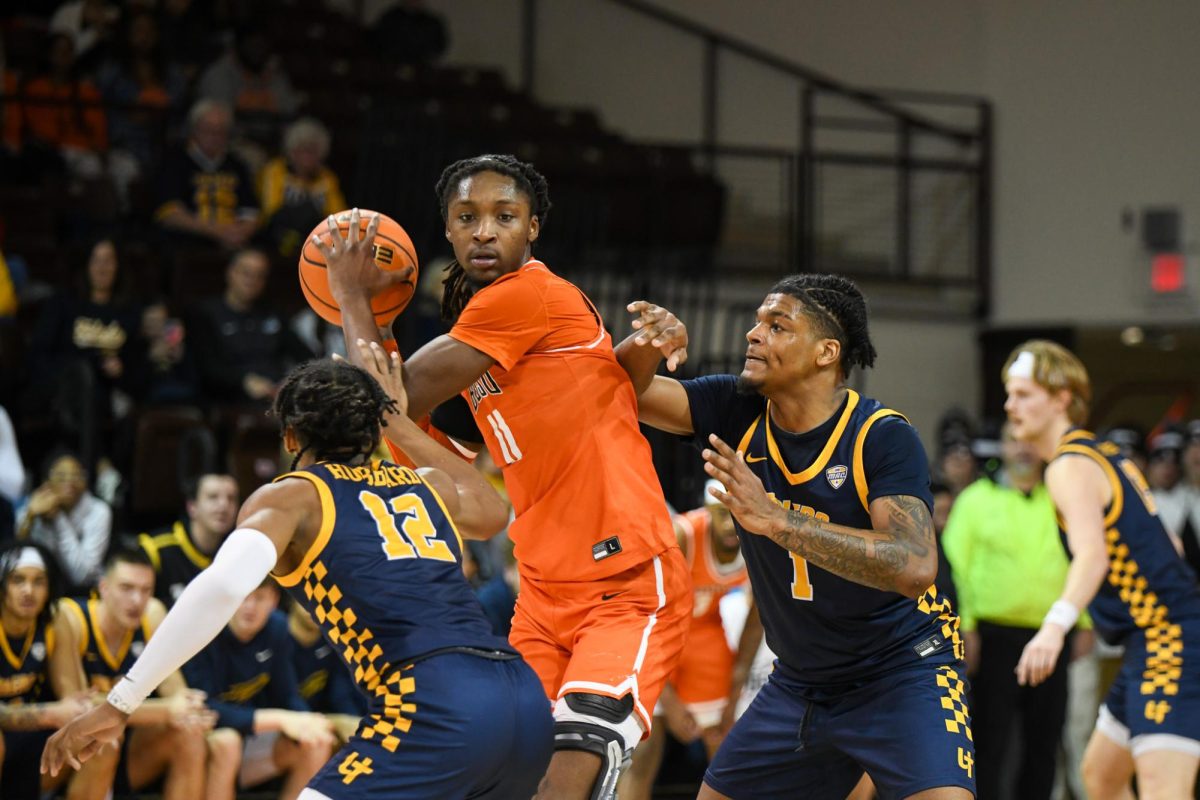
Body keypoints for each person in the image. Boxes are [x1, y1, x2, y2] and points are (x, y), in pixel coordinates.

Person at [319, 160, 691, 799]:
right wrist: (379, 329)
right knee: (502, 776)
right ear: (448, 232)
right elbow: (431, 454)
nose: (485, 231)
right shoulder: (487, 369)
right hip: (543, 597)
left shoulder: (530, 295)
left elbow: (389, 397)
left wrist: (350, 295)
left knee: (576, 766)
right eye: (467, 218)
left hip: (625, 585)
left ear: (533, 229)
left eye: (504, 217)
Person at [41, 345, 554, 799]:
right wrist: (396, 422)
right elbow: (491, 509)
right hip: (523, 702)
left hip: (433, 702)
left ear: (290, 437)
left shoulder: (293, 496)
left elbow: (220, 587)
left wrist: (121, 702)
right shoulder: (428, 485)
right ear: (375, 430)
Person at [615, 274, 974, 800]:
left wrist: (778, 520)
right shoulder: (736, 409)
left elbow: (914, 565)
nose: (753, 335)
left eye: (777, 325)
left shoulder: (881, 435)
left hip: (901, 671)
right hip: (801, 681)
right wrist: (645, 346)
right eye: (757, 322)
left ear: (827, 352)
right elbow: (618, 393)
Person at [1004, 340, 1200, 800]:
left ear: (1061, 398)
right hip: (1149, 638)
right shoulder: (1102, 453)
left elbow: (1094, 555)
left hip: (1167, 637)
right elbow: (1166, 540)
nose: (1010, 406)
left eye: (1024, 394)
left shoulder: (1068, 467)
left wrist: (1054, 627)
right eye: (1009, 394)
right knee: (1102, 777)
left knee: (1162, 790)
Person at [941, 425, 1091, 800]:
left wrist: (1084, 620)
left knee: (1046, 739)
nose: (1023, 449)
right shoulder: (976, 499)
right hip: (994, 636)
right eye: (1014, 441)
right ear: (1001, 447)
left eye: (1029, 441)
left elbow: (1083, 559)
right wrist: (967, 626)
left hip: (1051, 634)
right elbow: (954, 567)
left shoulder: (1061, 499)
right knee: (992, 739)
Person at [620, 480, 753, 800]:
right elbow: (638, 612)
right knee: (643, 752)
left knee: (726, 752)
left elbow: (760, 619)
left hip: (705, 634)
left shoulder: (756, 539)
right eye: (720, 513)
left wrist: (736, 684)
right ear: (706, 512)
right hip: (657, 636)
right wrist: (667, 698)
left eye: (735, 513)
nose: (728, 523)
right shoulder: (682, 536)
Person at [57, 548, 212, 800]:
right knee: (100, 737)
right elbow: (76, 709)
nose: (137, 600)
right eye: (126, 588)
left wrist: (188, 712)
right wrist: (166, 710)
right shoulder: (72, 617)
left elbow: (179, 696)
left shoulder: (152, 613)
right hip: (69, 754)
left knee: (190, 735)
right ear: (104, 587)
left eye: (145, 590)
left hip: (130, 750)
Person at [182, 579, 335, 800]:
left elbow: (287, 695)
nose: (250, 607)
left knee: (316, 740)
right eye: (244, 597)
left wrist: (308, 720)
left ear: (274, 600)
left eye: (260, 598)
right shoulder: (206, 628)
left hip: (251, 740)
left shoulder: (277, 628)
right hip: (203, 738)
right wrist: (281, 719)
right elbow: (204, 708)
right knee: (227, 741)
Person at [0, 543, 88, 798]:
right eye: (18, 580)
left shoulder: (54, 620)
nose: (29, 591)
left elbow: (72, 700)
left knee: (96, 741)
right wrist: (50, 714)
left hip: (28, 737)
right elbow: (57, 711)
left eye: (39, 582)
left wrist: (74, 712)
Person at [189, 248, 315, 404]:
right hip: (228, 399)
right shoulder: (205, 314)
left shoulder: (273, 314)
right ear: (230, 272)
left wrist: (290, 382)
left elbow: (307, 357)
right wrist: (243, 382)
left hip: (276, 396)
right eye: (246, 273)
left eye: (259, 275)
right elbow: (206, 367)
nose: (252, 280)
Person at [154, 99, 259, 250]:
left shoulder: (237, 166)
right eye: (208, 129)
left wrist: (239, 233)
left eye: (220, 131)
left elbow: (251, 213)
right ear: (194, 130)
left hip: (234, 241)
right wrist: (216, 232)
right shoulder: (174, 162)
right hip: (189, 239)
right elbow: (170, 215)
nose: (214, 136)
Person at [17, 451, 112, 593]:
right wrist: (30, 517)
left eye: (76, 475)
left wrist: (58, 518)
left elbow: (82, 576)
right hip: (41, 589)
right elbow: (17, 558)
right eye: (61, 476)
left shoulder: (99, 511)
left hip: (84, 592)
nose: (70, 482)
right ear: (46, 482)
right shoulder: (36, 503)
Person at [138, 472, 239, 606]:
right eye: (213, 497)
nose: (223, 506)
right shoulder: (155, 549)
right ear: (192, 507)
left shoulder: (237, 552)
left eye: (231, 498)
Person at [258, 117, 347, 259]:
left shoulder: (327, 178)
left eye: (313, 151)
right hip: (278, 236)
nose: (308, 157)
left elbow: (339, 216)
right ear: (292, 151)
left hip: (316, 238)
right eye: (303, 150)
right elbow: (270, 209)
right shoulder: (276, 171)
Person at [287, 602, 364, 742]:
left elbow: (339, 690)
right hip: (285, 723)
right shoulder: (279, 637)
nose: (313, 605)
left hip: (320, 717)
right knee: (318, 742)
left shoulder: (332, 637)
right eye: (304, 598)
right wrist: (331, 722)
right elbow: (286, 698)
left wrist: (355, 722)